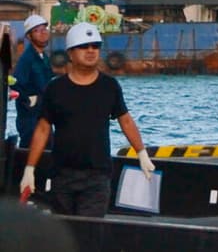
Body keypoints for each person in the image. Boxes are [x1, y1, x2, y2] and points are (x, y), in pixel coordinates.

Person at [21, 22, 156, 223]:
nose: (91, 51)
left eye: (95, 46)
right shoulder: (55, 89)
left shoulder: (109, 87)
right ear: (70, 53)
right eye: (84, 46)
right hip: (62, 175)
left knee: (89, 234)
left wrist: (142, 153)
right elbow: (42, 129)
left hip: (97, 176)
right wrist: (29, 169)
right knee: (65, 235)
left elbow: (125, 120)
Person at [14, 13, 53, 147]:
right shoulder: (27, 59)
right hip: (30, 120)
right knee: (31, 152)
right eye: (37, 31)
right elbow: (16, 84)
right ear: (29, 36)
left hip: (44, 117)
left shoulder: (43, 58)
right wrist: (29, 100)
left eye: (44, 29)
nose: (42, 33)